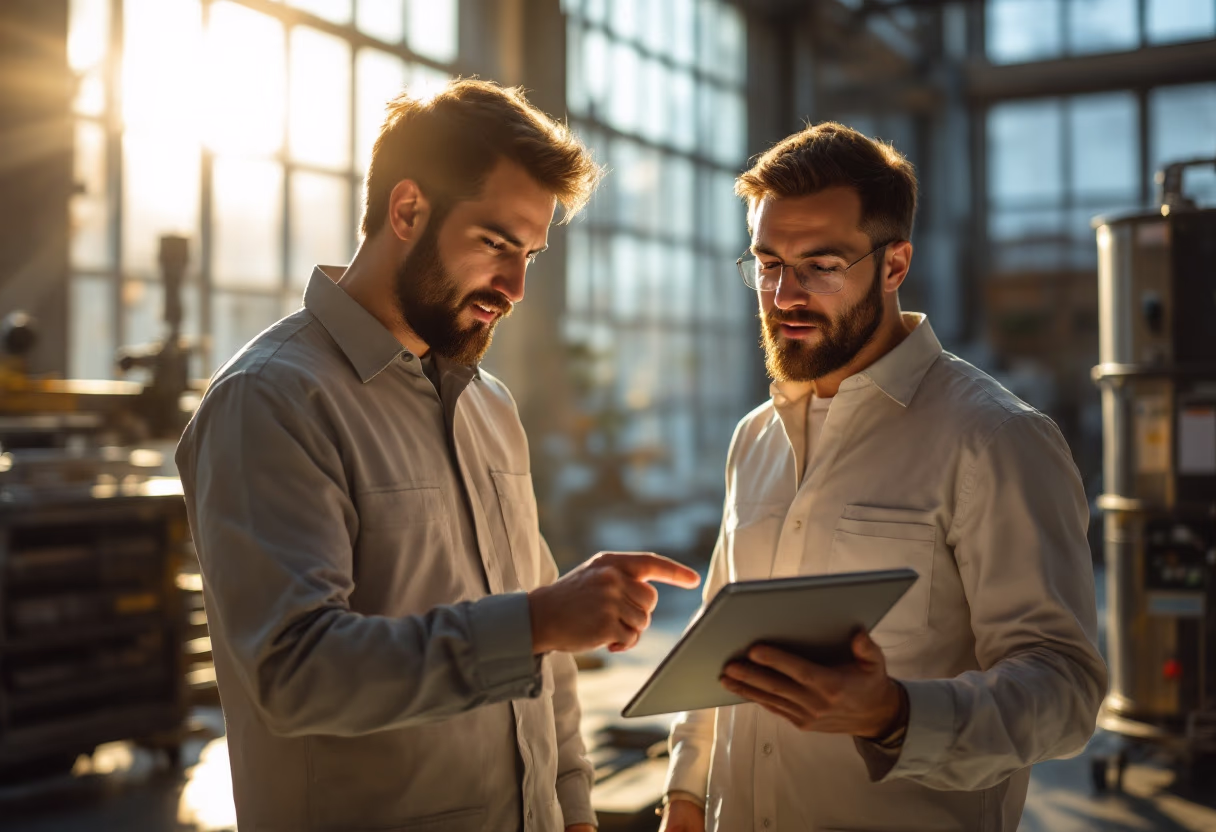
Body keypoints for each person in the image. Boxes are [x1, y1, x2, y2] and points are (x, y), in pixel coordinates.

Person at [176, 80, 700, 832]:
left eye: (530, 254)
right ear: (408, 210)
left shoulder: (489, 405)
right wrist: (532, 624)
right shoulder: (273, 401)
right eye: (495, 244)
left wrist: (573, 809)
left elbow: (545, 669)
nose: (515, 287)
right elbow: (295, 675)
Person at [659, 122, 1107, 831]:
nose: (783, 296)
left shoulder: (994, 438)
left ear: (894, 265)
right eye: (767, 263)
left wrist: (894, 714)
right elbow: (721, 649)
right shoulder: (756, 438)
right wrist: (686, 795)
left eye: (821, 265)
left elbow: (1066, 692)